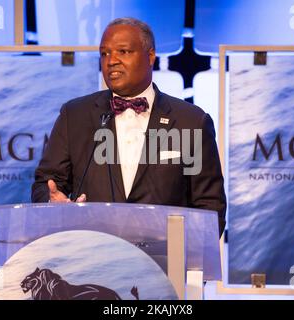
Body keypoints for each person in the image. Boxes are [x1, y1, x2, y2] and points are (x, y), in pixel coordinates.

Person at [31, 17, 227, 235]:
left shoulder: (190, 122)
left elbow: (210, 209)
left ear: (150, 56)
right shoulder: (75, 116)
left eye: (123, 52)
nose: (111, 60)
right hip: (92, 258)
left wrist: (184, 255)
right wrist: (54, 204)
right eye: (104, 53)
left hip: (164, 263)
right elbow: (45, 185)